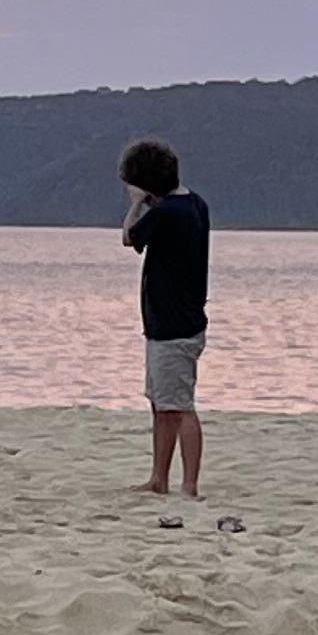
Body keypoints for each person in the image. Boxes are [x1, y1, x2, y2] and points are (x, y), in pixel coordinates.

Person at [118, 138, 210, 497]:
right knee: (162, 403)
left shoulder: (167, 213)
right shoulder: (195, 205)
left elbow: (129, 237)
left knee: (180, 406)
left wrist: (136, 205)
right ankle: (159, 478)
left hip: (173, 327)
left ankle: (189, 484)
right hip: (175, 322)